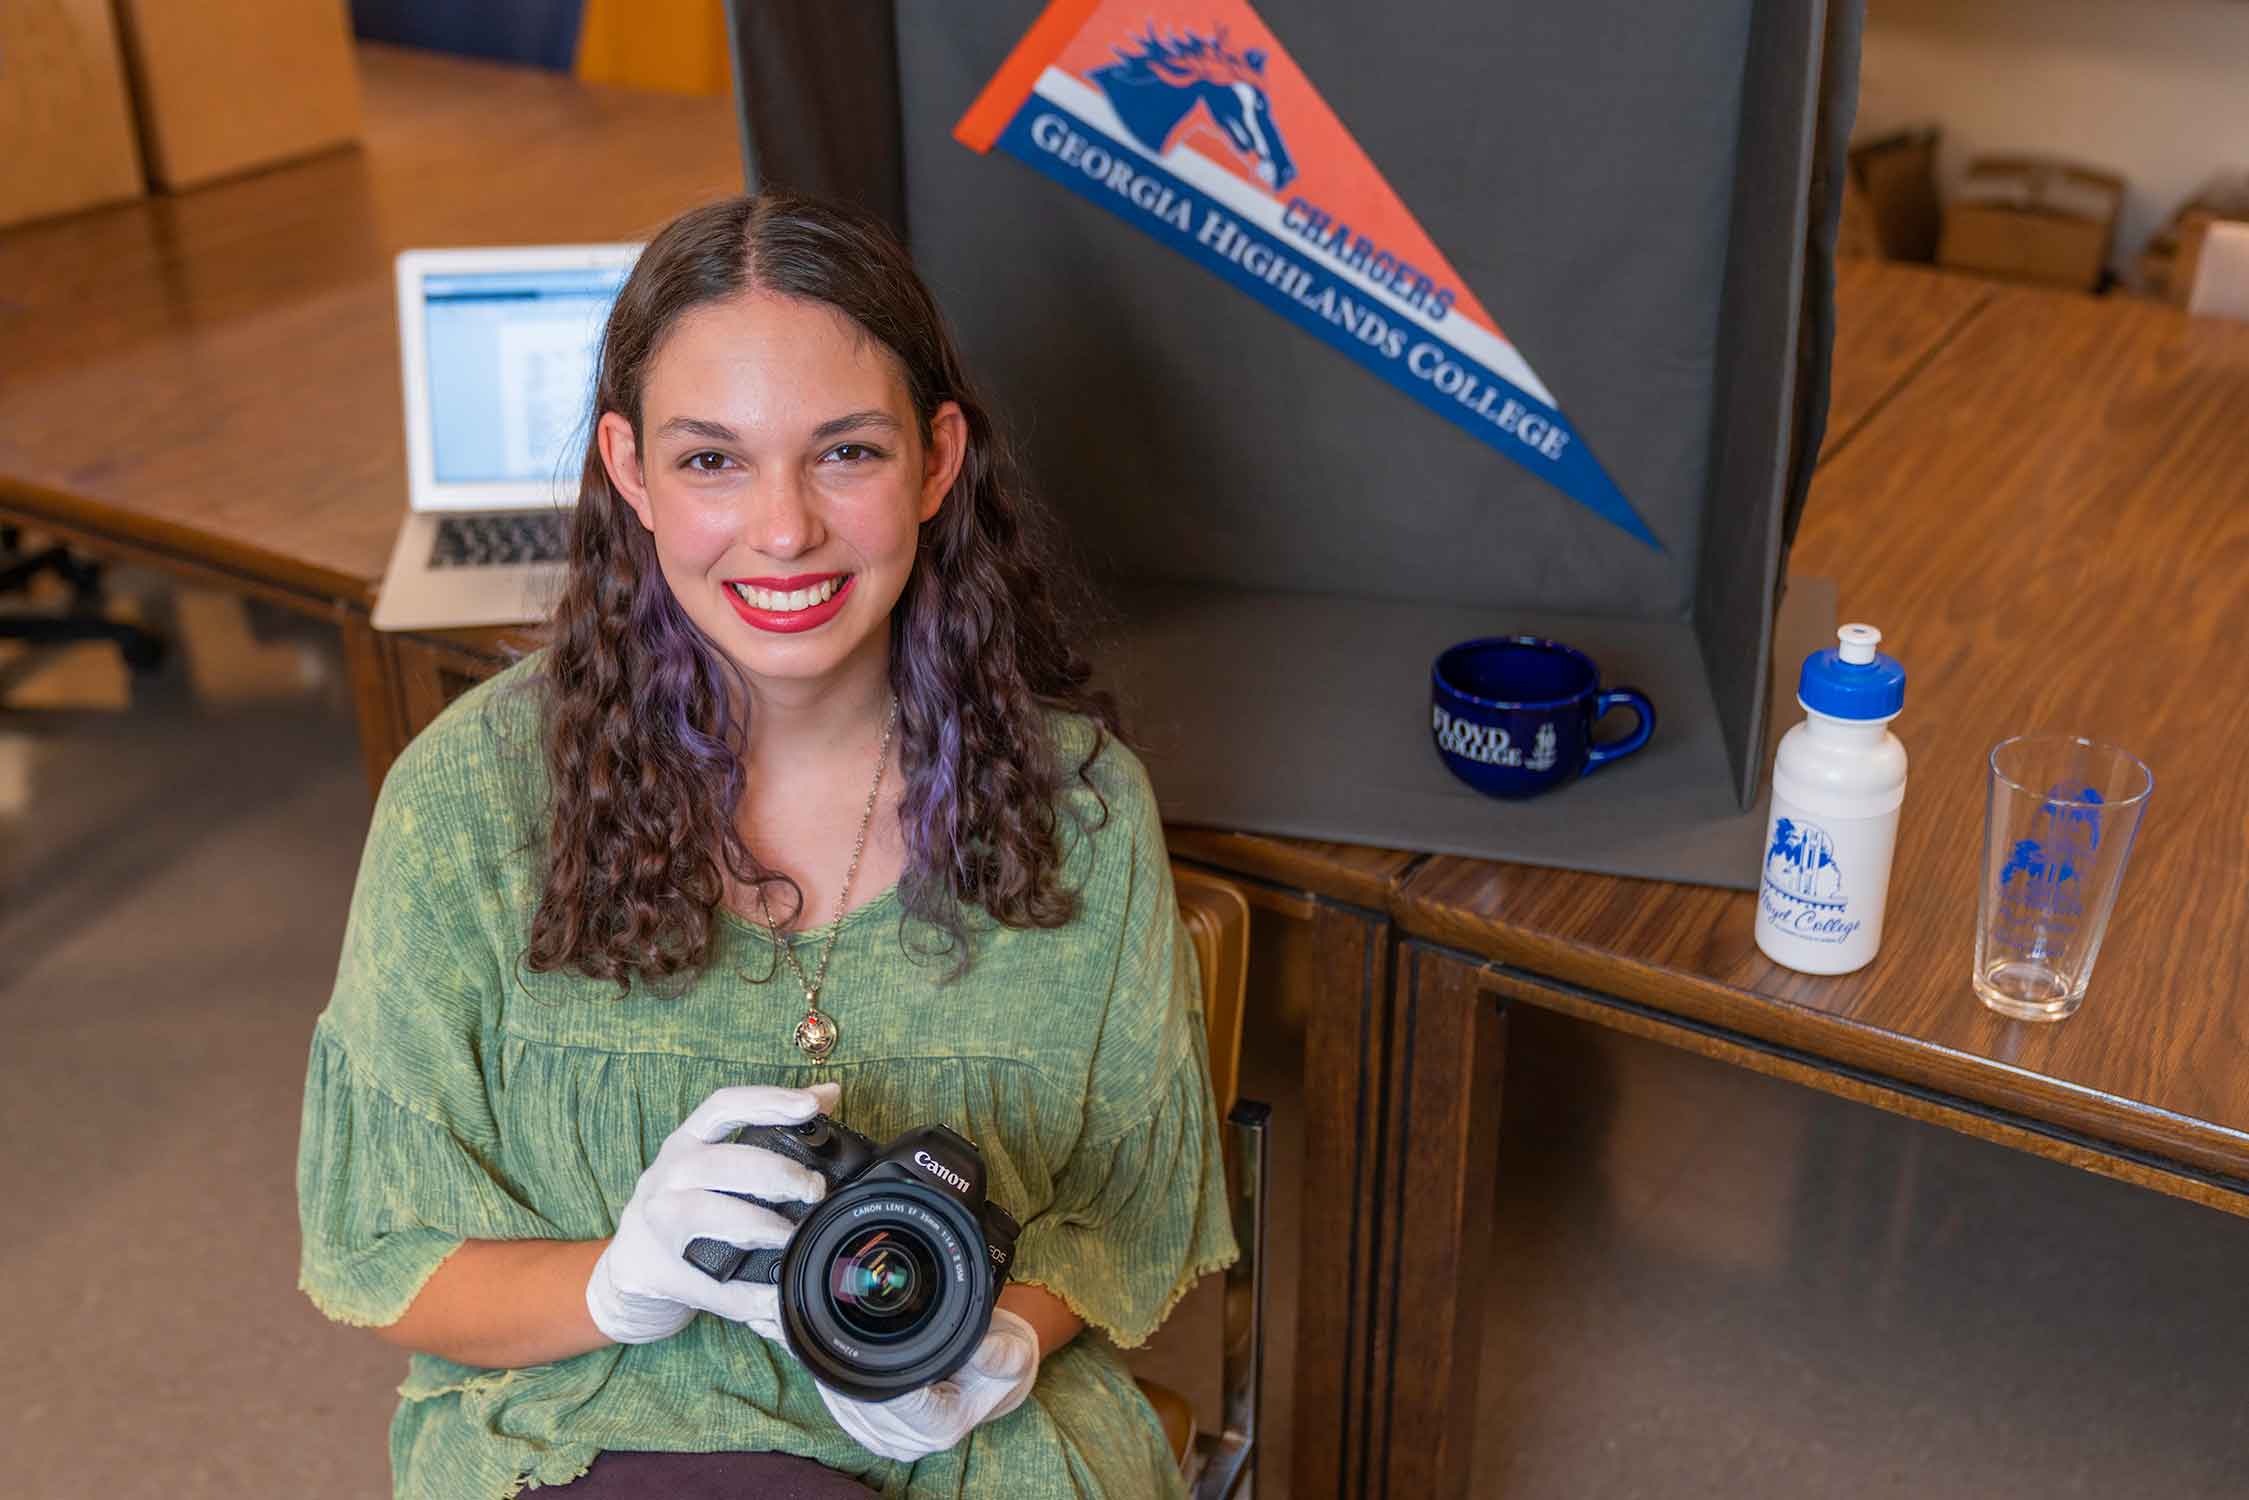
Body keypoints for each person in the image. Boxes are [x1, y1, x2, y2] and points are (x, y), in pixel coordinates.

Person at [295, 192, 1236, 1499]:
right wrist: (619, 1283)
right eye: (711, 460)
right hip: (590, 1430)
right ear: (629, 470)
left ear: (936, 458)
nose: (782, 528)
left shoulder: (1078, 807)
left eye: (844, 452)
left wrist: (1004, 1335)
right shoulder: (464, 805)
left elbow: (1110, 1218)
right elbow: (387, 1261)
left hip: (958, 1450)